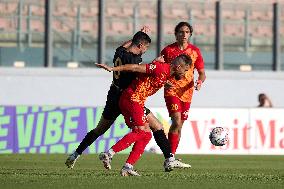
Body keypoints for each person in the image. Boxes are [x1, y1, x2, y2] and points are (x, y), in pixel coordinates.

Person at [65, 27, 190, 172]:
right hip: (129, 98)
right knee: (144, 131)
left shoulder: (120, 52)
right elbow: (140, 70)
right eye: (145, 47)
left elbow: (128, 47)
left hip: (115, 94)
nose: (145, 50)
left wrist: (138, 35)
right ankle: (117, 157)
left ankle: (75, 154)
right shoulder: (133, 59)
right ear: (141, 45)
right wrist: (155, 63)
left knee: (103, 129)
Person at [96, 54, 193, 176]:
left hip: (137, 102)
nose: (185, 74)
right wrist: (112, 68)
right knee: (140, 132)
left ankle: (128, 166)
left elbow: (150, 77)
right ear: (178, 67)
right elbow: (136, 68)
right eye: (185, 70)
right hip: (132, 99)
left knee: (148, 133)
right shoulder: (161, 68)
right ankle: (109, 154)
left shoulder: (165, 72)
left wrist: (165, 82)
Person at [161, 22, 206, 155]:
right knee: (176, 120)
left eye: (187, 32)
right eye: (181, 32)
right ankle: (169, 156)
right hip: (171, 90)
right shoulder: (168, 51)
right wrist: (164, 81)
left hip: (187, 93)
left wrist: (199, 81)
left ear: (190, 34)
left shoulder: (195, 51)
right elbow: (158, 69)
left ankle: (171, 156)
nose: (184, 34)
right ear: (176, 34)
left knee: (179, 125)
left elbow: (202, 72)